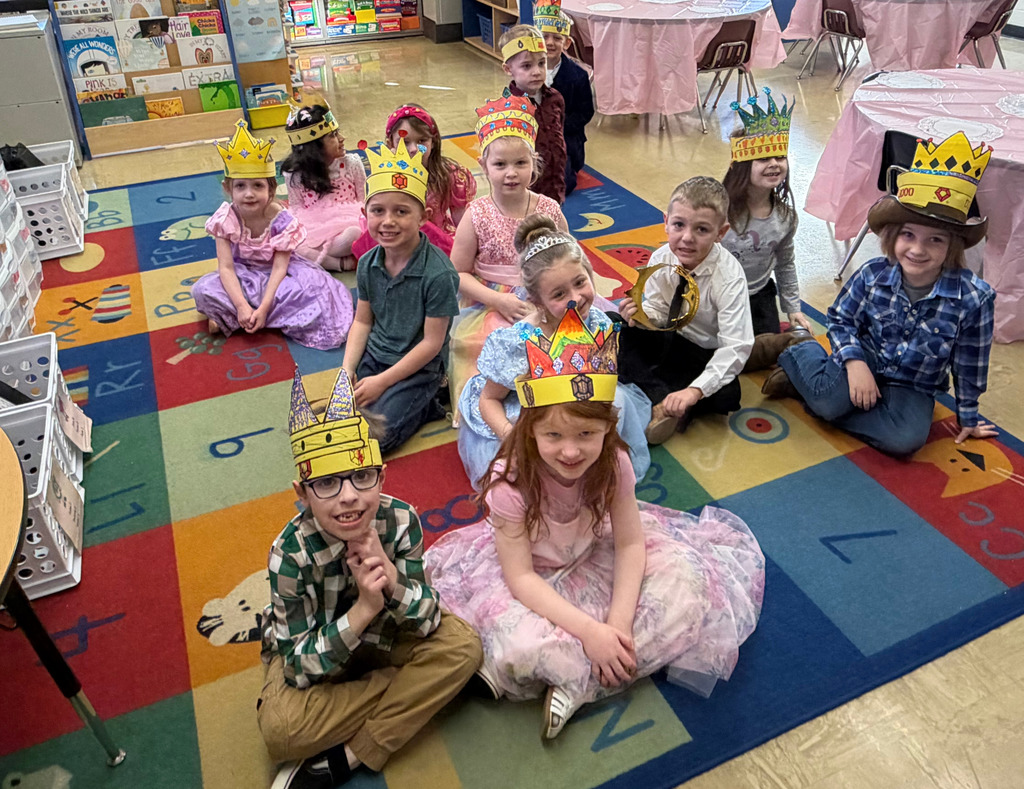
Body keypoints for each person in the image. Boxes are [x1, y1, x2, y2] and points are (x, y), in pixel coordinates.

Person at [426, 308, 764, 740]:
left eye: (586, 434)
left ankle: (577, 682)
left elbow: (631, 545)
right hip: (532, 574)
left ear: (608, 427)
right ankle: (594, 665)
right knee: (515, 644)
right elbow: (521, 578)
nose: (570, 452)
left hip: (595, 551)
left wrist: (616, 626)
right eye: (553, 436)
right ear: (530, 431)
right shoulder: (510, 482)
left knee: (690, 581)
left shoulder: (614, 462)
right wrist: (589, 631)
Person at [259, 368, 482, 789]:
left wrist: (393, 581)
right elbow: (298, 667)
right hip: (324, 657)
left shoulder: (401, 520)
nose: (349, 497)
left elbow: (428, 619)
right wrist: (363, 610)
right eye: (327, 483)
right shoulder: (288, 554)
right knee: (281, 729)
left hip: (386, 640)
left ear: (381, 476)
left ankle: (352, 754)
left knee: (463, 647)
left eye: (362, 477)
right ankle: (418, 687)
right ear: (302, 494)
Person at [763, 131, 998, 457]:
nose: (918, 250)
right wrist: (855, 362)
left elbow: (970, 361)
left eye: (936, 240)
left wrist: (968, 415)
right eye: (908, 235)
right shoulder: (873, 274)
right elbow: (841, 319)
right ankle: (800, 350)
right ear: (893, 236)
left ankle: (809, 392)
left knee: (905, 441)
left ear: (953, 246)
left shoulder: (975, 298)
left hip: (914, 383)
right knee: (830, 403)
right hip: (864, 357)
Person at [458, 214, 652, 488]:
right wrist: (511, 437)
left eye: (580, 282)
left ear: (590, 274)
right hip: (528, 412)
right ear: (537, 301)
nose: (575, 298)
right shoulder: (519, 343)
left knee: (617, 401)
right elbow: (488, 400)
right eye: (559, 294)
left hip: (579, 400)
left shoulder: (597, 322)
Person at [447, 96, 568, 416]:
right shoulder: (477, 214)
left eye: (520, 164)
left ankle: (553, 404)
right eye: (500, 165)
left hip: (546, 295)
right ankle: (497, 411)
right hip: (491, 302)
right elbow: (457, 273)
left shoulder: (549, 209)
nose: (511, 173)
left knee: (564, 346)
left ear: (534, 164)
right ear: (484, 166)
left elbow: (569, 259)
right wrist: (498, 300)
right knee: (491, 348)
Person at [192, 120, 353, 351]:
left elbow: (279, 267)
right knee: (202, 289)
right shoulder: (225, 219)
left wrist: (265, 306)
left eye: (257, 186)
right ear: (228, 189)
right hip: (243, 276)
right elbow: (226, 268)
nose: (249, 194)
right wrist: (241, 305)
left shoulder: (281, 219)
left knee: (312, 290)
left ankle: (243, 316)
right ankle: (244, 312)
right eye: (240, 186)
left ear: (271, 189)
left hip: (281, 277)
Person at [342, 139, 460, 454]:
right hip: (375, 357)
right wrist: (347, 369)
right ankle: (408, 401)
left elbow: (431, 344)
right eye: (378, 211)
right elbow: (362, 322)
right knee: (340, 424)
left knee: (374, 441)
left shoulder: (439, 274)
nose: (388, 221)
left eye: (402, 211)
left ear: (424, 216)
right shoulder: (367, 263)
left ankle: (428, 403)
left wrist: (383, 382)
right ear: (365, 213)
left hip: (419, 369)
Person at [616, 176, 754, 444]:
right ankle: (665, 400)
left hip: (700, 350)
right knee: (613, 327)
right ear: (666, 222)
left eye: (702, 229)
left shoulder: (729, 278)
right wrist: (641, 316)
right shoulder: (661, 257)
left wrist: (694, 391)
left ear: (721, 233)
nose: (687, 238)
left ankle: (664, 400)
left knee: (726, 394)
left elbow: (734, 347)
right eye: (679, 225)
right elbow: (658, 308)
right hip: (667, 337)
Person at [721, 89, 815, 371]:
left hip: (758, 295)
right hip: (718, 296)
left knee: (767, 352)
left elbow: (785, 264)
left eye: (779, 156)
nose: (774, 163)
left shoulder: (785, 217)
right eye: (763, 158)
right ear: (742, 166)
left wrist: (793, 309)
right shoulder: (719, 210)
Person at [351, 104, 474, 259]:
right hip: (396, 237)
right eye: (405, 142)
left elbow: (462, 222)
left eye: (422, 140)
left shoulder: (450, 175)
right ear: (390, 143)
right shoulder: (386, 176)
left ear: (433, 141)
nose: (414, 148)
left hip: (438, 242)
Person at [281, 103, 365, 271]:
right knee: (290, 243)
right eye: (333, 135)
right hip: (313, 228)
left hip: (348, 223)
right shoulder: (295, 174)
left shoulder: (352, 163)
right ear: (314, 147)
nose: (342, 138)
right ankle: (340, 263)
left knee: (354, 235)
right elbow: (296, 207)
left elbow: (363, 199)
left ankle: (319, 257)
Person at [499, 24, 568, 204]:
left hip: (555, 186)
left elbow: (560, 133)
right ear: (508, 69)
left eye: (541, 63)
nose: (536, 72)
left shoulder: (555, 98)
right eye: (526, 66)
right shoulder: (508, 109)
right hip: (524, 195)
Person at [536, 0, 594, 197]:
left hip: (565, 138)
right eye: (544, 37)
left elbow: (585, 112)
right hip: (533, 136)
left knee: (563, 182)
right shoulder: (528, 72)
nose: (550, 43)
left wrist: (558, 128)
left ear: (567, 43)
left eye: (557, 38)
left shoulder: (578, 76)